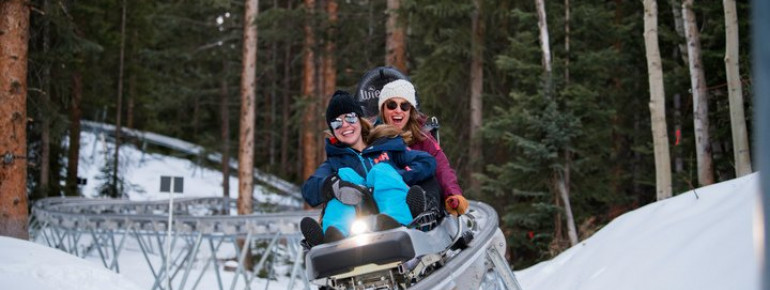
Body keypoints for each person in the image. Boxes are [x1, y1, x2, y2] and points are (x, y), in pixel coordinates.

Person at [301, 90, 437, 247]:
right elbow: (309, 190)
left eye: (350, 118)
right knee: (342, 178)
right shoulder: (334, 162)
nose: (345, 125)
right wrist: (331, 186)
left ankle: (397, 220)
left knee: (381, 171)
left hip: (391, 207)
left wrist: (400, 176)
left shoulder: (387, 146)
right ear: (332, 130)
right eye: (337, 123)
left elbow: (426, 161)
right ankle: (333, 235)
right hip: (359, 215)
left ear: (359, 119)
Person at [377, 79, 469, 217]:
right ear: (383, 110)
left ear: (411, 111)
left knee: (428, 177)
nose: (398, 110)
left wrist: (453, 194)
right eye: (391, 105)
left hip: (420, 190)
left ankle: (426, 211)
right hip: (388, 196)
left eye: (404, 106)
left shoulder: (422, 138)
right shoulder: (373, 140)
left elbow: (442, 168)